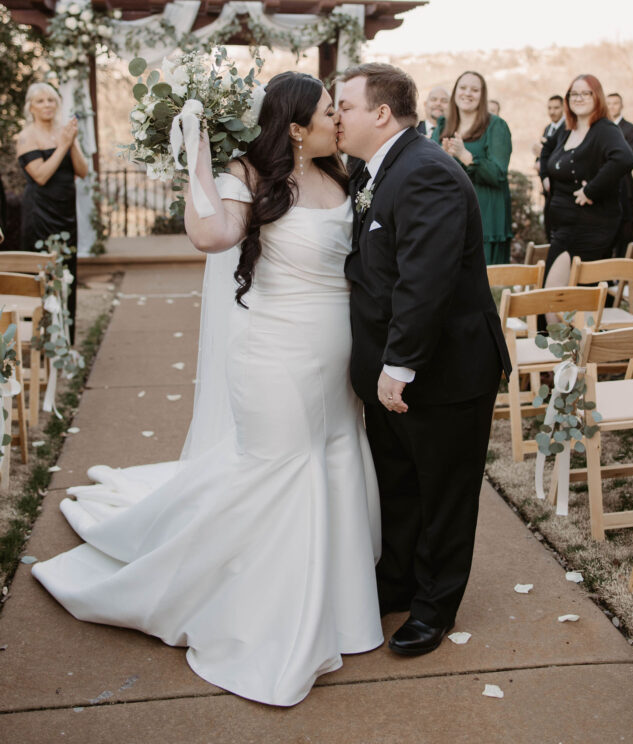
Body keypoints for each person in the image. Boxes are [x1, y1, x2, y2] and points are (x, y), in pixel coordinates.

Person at [32, 72, 383, 708]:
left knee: (335, 460)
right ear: (296, 127)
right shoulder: (250, 177)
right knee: (280, 474)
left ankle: (342, 612)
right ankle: (258, 617)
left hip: (336, 358)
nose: (341, 119)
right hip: (273, 355)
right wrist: (199, 157)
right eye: (331, 111)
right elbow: (212, 236)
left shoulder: (343, 176)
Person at [337, 62, 510, 658]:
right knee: (401, 484)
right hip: (393, 371)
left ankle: (434, 608)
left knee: (444, 492)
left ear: (381, 113)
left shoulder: (427, 171)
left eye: (346, 107)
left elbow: (424, 281)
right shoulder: (374, 169)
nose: (338, 117)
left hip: (444, 372)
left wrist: (398, 365)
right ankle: (401, 582)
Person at [540, 74, 633, 290]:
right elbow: (546, 149)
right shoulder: (567, 130)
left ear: (597, 97)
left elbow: (623, 159)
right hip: (563, 225)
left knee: (554, 295)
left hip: (588, 225)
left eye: (585, 93)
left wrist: (591, 190)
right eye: (574, 93)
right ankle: (566, 325)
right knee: (559, 296)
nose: (578, 98)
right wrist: (545, 176)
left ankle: (563, 325)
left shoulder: (604, 129)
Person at [16, 83, 87, 327]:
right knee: (42, 272)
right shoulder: (27, 136)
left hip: (66, 212)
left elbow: (83, 171)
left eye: (51, 100)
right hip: (40, 213)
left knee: (68, 269)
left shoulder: (64, 132)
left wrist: (73, 142)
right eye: (40, 101)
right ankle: (43, 337)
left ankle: (66, 336)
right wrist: (63, 145)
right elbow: (41, 175)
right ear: (31, 107)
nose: (47, 105)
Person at [440, 70, 513, 264]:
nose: (467, 93)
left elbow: (499, 174)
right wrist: (444, 156)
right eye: (463, 88)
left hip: (485, 216)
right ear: (455, 92)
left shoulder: (496, 126)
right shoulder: (444, 125)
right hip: (449, 214)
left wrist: (466, 157)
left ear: (482, 95)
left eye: (474, 90)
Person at [606, 92, 633, 255]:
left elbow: (628, 160)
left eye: (615, 103)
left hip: (625, 189)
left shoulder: (632, 130)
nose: (612, 107)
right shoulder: (599, 128)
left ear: (621, 106)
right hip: (604, 190)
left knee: (623, 234)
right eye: (609, 103)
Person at [532, 95, 565, 238]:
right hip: (547, 187)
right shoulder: (548, 128)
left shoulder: (566, 128)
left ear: (564, 108)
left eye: (556, 108)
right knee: (548, 225)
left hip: (560, 187)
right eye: (550, 108)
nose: (552, 112)